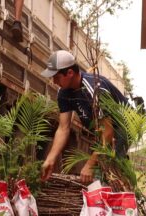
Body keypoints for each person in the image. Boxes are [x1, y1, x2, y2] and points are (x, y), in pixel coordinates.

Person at [40, 50, 128, 184]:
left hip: (122, 128)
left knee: (111, 171)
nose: (54, 81)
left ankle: (121, 197)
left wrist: (90, 165)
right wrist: (50, 159)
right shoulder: (64, 93)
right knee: (99, 173)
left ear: (69, 73)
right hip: (102, 130)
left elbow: (108, 132)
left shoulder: (95, 89)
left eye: (56, 77)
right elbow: (63, 128)